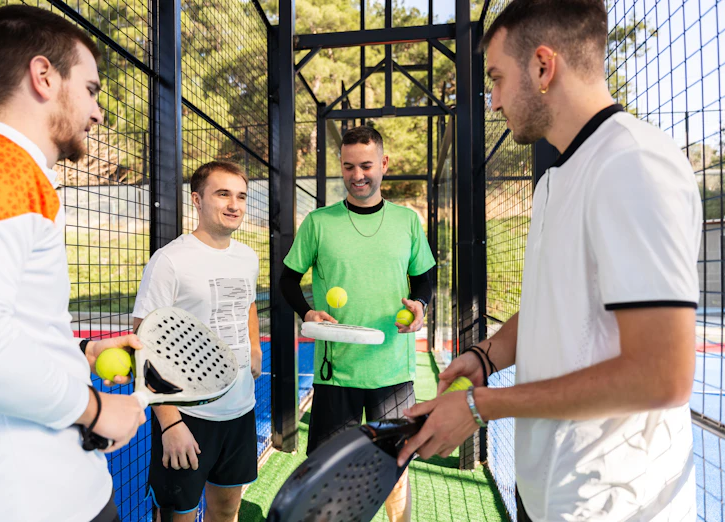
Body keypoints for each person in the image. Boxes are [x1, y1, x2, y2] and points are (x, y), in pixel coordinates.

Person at [397, 1, 701, 520]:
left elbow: (662, 375)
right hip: (552, 492)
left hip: (615, 506)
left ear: (543, 66)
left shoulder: (634, 164)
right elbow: (553, 308)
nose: (492, 102)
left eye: (495, 78)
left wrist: (477, 405)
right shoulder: (556, 180)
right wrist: (487, 357)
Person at [0, 6, 147, 522]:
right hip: (25, 499)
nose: (97, 113)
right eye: (91, 90)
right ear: (44, 75)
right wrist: (95, 411)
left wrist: (82, 350)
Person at [281, 125, 436, 522]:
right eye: (348, 167)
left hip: (393, 371)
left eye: (366, 165)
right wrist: (308, 312)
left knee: (395, 470)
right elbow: (287, 279)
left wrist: (419, 303)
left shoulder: (406, 221)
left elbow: (424, 277)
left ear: (383, 164)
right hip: (336, 373)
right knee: (330, 474)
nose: (357, 175)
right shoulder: (318, 222)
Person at [132, 161, 262, 522]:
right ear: (197, 200)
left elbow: (247, 302)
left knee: (226, 511)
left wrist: (254, 347)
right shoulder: (170, 261)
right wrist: (170, 423)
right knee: (179, 517)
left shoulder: (247, 257)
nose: (234, 204)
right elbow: (143, 344)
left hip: (240, 410)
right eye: (223, 194)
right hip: (188, 416)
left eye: (240, 196)